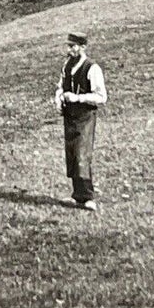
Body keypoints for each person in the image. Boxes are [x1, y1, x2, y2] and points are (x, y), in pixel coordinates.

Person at [53, 31, 106, 211]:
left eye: (73, 46)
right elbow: (61, 85)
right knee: (73, 155)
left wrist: (78, 98)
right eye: (68, 46)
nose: (70, 50)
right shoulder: (67, 65)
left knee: (82, 154)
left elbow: (101, 97)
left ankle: (88, 197)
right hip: (70, 116)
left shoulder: (92, 68)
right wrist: (59, 97)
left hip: (84, 116)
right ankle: (78, 196)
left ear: (83, 47)